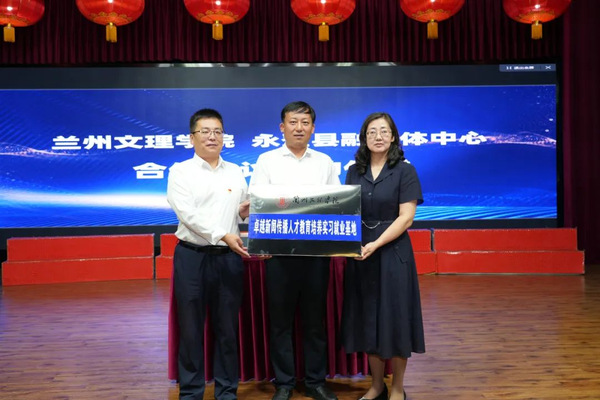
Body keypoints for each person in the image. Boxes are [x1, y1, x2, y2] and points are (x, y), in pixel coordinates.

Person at [249, 101, 340, 400]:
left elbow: (338, 204)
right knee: (280, 322)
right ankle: (285, 383)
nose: (299, 128)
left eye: (305, 122)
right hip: (279, 255)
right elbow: (258, 203)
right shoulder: (266, 160)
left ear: (313, 128)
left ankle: (315, 381)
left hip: (315, 255)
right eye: (293, 122)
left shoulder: (325, 162)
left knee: (315, 321)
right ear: (282, 127)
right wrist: (262, 242)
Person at [167, 108, 250, 400]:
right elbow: (188, 215)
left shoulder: (236, 171)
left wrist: (248, 212)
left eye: (217, 131)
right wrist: (222, 234)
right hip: (192, 257)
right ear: (192, 138)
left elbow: (240, 212)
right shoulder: (180, 171)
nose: (212, 137)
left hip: (228, 258)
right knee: (191, 329)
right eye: (205, 131)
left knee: (227, 328)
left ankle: (226, 392)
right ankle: (191, 393)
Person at [341, 112, 426, 400]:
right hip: (361, 254)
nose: (378, 136)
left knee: (396, 319)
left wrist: (376, 243)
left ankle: (398, 387)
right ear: (364, 138)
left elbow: (406, 218)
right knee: (369, 320)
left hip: (393, 253)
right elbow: (346, 211)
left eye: (384, 131)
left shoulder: (405, 171)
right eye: (372, 132)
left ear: (393, 137)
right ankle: (377, 385)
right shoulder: (354, 171)